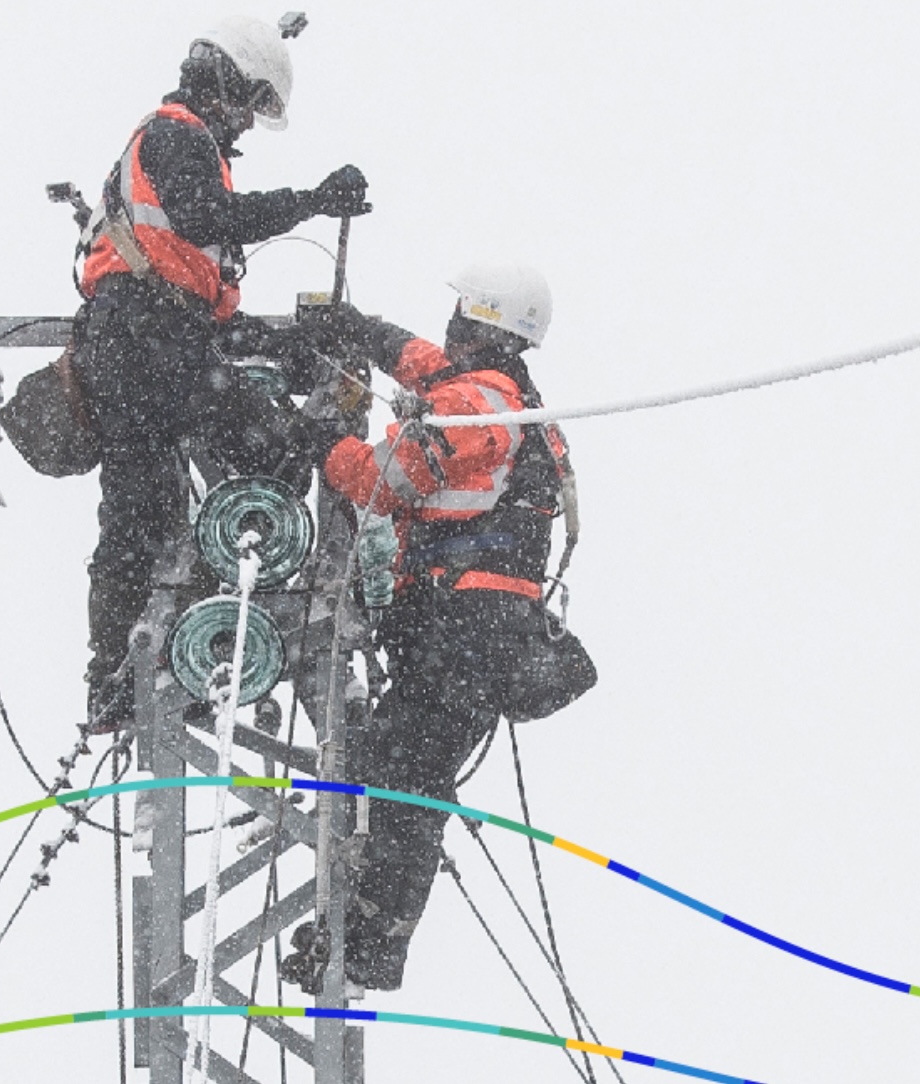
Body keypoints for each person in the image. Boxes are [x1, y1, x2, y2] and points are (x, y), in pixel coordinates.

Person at [283, 262, 597, 991]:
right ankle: (361, 930)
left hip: (464, 631)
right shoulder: (503, 394)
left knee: (405, 778)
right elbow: (430, 366)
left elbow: (378, 481)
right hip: (473, 631)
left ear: (483, 322)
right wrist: (360, 329)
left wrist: (322, 440)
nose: (451, 319)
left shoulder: (475, 409)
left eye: (463, 309)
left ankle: (370, 943)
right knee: (390, 767)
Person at [71, 16, 370, 730]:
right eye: (248, 102)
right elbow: (207, 217)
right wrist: (312, 200)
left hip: (147, 339)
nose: (244, 122)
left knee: (141, 510)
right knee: (267, 451)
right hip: (145, 344)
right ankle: (170, 647)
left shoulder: (178, 144)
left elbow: (188, 270)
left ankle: (149, 658)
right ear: (229, 79)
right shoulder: (176, 133)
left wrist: (264, 340)